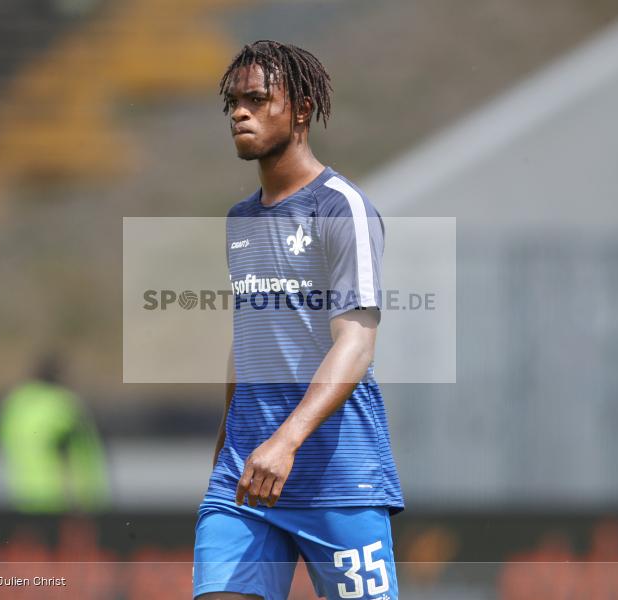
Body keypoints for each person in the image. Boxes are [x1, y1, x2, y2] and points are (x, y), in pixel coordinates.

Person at [193, 41, 403, 600]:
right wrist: (224, 456)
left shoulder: (341, 209)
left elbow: (356, 346)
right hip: (247, 476)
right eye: (234, 102)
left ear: (302, 109)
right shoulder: (241, 220)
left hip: (339, 480)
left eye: (258, 100)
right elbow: (249, 343)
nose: (240, 112)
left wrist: (286, 442)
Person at [0, 353, 109, 514]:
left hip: (22, 497)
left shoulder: (14, 405)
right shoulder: (62, 406)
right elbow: (69, 454)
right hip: (64, 502)